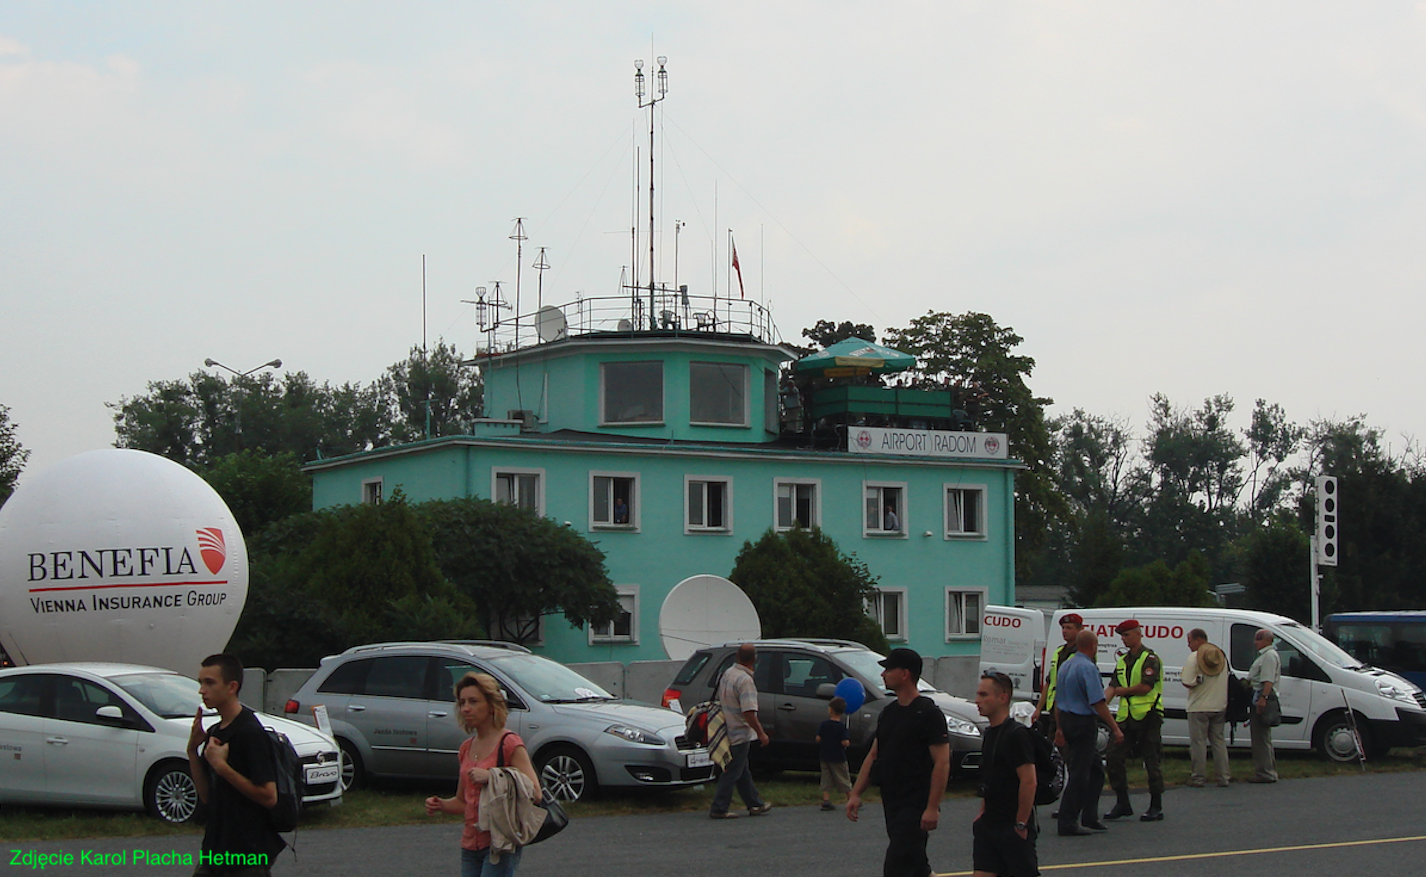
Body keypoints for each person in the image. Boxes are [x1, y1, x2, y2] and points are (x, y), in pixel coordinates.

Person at [846, 647, 950, 877]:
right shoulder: (889, 712)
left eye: (888, 670)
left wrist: (932, 807)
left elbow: (942, 762)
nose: (883, 675)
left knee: (896, 864)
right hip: (892, 798)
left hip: (916, 802)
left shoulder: (928, 713)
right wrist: (856, 793)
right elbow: (874, 755)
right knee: (915, 863)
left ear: (905, 674)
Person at [425, 672, 542, 877]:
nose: (466, 708)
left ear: (491, 704)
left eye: (473, 701)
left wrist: (492, 776)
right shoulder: (466, 748)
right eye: (462, 703)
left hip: (500, 842)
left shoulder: (509, 743)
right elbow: (463, 802)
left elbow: (535, 792)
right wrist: (441, 805)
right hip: (470, 844)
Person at [187, 653, 284, 877]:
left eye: (209, 683)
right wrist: (192, 751)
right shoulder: (215, 732)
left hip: (247, 856)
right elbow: (206, 797)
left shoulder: (250, 732)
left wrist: (223, 768)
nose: (202, 690)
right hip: (214, 851)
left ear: (232, 687)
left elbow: (269, 796)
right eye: (201, 682)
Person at [1053, 629, 1123, 837]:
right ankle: (1067, 820)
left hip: (1066, 719)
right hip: (1083, 722)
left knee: (1095, 770)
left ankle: (1090, 816)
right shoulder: (1087, 667)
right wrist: (1115, 728)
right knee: (1080, 773)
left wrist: (1058, 727)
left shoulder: (1066, 665)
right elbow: (1098, 702)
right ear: (1093, 646)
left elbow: (1057, 699)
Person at [972, 671, 1039, 877]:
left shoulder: (1016, 735)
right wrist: (982, 813)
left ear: (1003, 698)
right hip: (990, 825)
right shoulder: (990, 732)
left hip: (1011, 826)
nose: (977, 701)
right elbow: (991, 776)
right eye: (978, 694)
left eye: (984, 695)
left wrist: (1020, 823)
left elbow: (1029, 781)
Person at [1103, 619, 1166, 822]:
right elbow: (1112, 687)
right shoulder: (1122, 661)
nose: (1124, 639)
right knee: (1113, 757)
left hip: (1148, 715)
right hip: (1126, 718)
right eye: (1122, 635)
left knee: (1151, 760)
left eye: (1127, 634)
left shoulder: (1150, 658)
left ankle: (1156, 805)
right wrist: (1100, 705)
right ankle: (1122, 802)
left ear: (1139, 634)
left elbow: (1146, 687)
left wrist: (1123, 691)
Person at [709, 643, 773, 818]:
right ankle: (719, 807)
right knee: (733, 771)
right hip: (740, 731)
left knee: (741, 769)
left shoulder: (727, 674)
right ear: (754, 660)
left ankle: (754, 803)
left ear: (737, 657)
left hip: (726, 728)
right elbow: (749, 712)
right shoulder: (745, 680)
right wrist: (760, 732)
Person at [1180, 628, 1230, 788]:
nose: (1188, 645)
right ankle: (1223, 777)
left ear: (1198, 640)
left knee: (1198, 743)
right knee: (1218, 742)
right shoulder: (1220, 656)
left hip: (1198, 707)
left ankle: (1198, 777)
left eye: (1190, 641)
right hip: (1219, 705)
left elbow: (1187, 681)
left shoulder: (1194, 657)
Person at [1030, 614, 1084, 741]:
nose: (1065, 631)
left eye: (1069, 628)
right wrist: (1038, 709)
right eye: (1063, 628)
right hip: (1055, 709)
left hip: (1072, 711)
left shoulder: (1082, 653)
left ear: (1079, 630)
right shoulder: (1059, 652)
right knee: (1052, 746)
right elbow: (1049, 682)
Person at [1248, 628, 1282, 783]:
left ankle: (1265, 772)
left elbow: (1267, 680)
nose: (1256, 642)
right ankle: (1268, 769)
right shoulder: (1267, 655)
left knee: (1260, 738)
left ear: (1268, 640)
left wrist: (1263, 699)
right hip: (1260, 695)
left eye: (1259, 638)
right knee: (1263, 737)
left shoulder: (1268, 656)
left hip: (1262, 696)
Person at [817, 696, 852, 811]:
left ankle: (826, 800)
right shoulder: (842, 727)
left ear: (831, 710)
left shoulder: (824, 724)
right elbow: (844, 742)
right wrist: (847, 743)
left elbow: (818, 738)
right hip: (838, 757)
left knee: (826, 778)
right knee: (842, 777)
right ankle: (851, 798)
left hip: (825, 755)